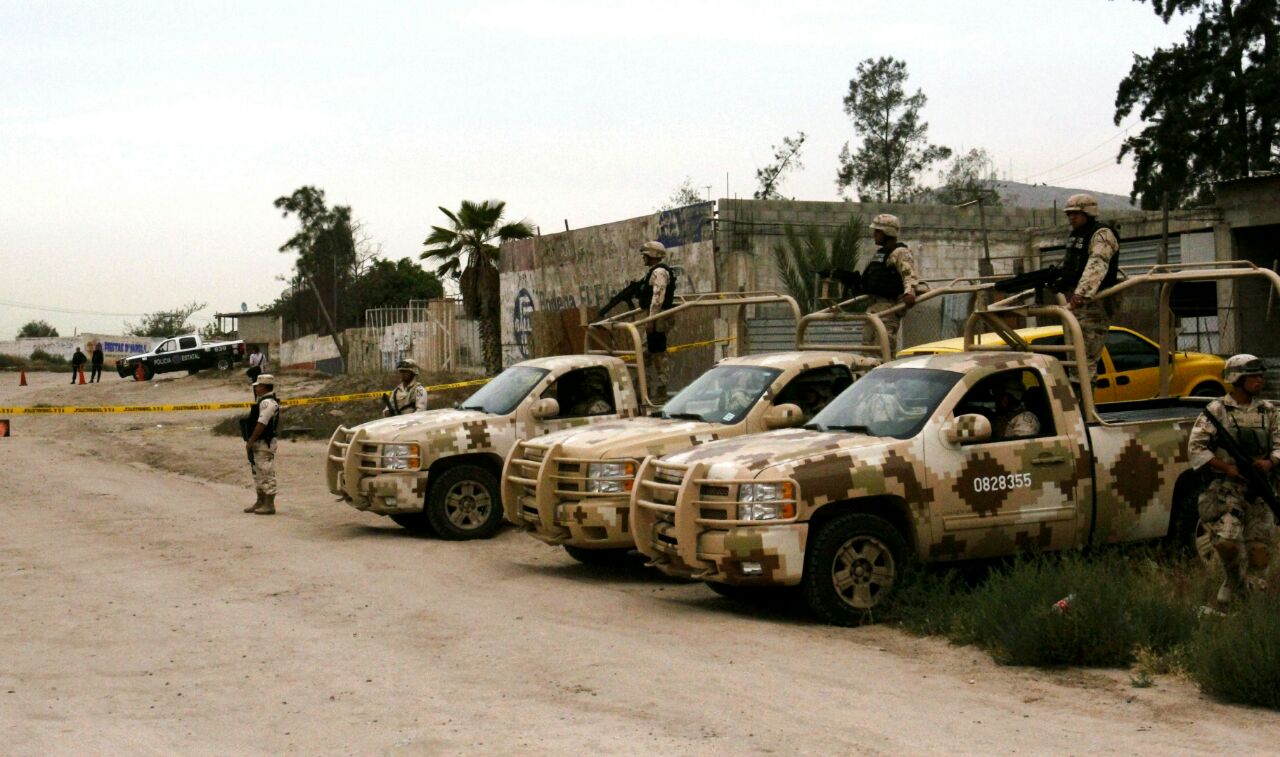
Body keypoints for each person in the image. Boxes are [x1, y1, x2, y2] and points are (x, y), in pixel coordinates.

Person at [1186, 354, 1280, 609]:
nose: (1260, 380)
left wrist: (1270, 462)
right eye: (1254, 376)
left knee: (1259, 553)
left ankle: (1252, 602)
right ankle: (1235, 581)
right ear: (1237, 379)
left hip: (1259, 492)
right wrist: (1226, 467)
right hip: (1227, 492)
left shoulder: (1268, 411)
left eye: (1261, 375)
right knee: (1227, 543)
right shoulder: (1217, 411)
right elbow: (1196, 449)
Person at [1056, 194, 1120, 386]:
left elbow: (1097, 264)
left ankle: (1086, 410)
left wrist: (1080, 293)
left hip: (1093, 304)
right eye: (1069, 214)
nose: (1071, 218)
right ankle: (1081, 408)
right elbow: (1072, 266)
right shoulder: (1077, 235)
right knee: (1076, 359)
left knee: (1086, 360)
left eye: (1075, 213)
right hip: (1077, 304)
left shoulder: (1101, 234)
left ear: (1087, 212)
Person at [862, 214, 920, 355]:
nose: (874, 234)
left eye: (877, 231)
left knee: (884, 350)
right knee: (867, 351)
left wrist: (909, 293)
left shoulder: (900, 252)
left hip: (889, 308)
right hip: (874, 308)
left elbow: (909, 274)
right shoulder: (880, 254)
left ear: (887, 232)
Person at [638, 240, 676, 399]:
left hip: (658, 317)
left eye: (645, 255)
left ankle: (660, 388)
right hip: (656, 315)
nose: (643, 258)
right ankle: (646, 386)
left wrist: (651, 320)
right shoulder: (656, 271)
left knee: (656, 351)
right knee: (648, 352)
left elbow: (658, 297)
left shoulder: (659, 272)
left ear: (652, 255)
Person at [243, 373, 281, 515]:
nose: (256, 388)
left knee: (266, 471)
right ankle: (260, 501)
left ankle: (269, 504)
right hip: (258, 442)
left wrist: (251, 440)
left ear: (264, 387)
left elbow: (262, 424)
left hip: (264, 442)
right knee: (257, 472)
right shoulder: (263, 401)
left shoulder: (268, 403)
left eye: (258, 386)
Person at [992, 375, 1040, 440]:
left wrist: (1001, 432)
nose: (996, 400)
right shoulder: (1005, 416)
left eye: (998, 395)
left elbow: (1021, 446)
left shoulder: (1026, 420)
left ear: (1005, 399)